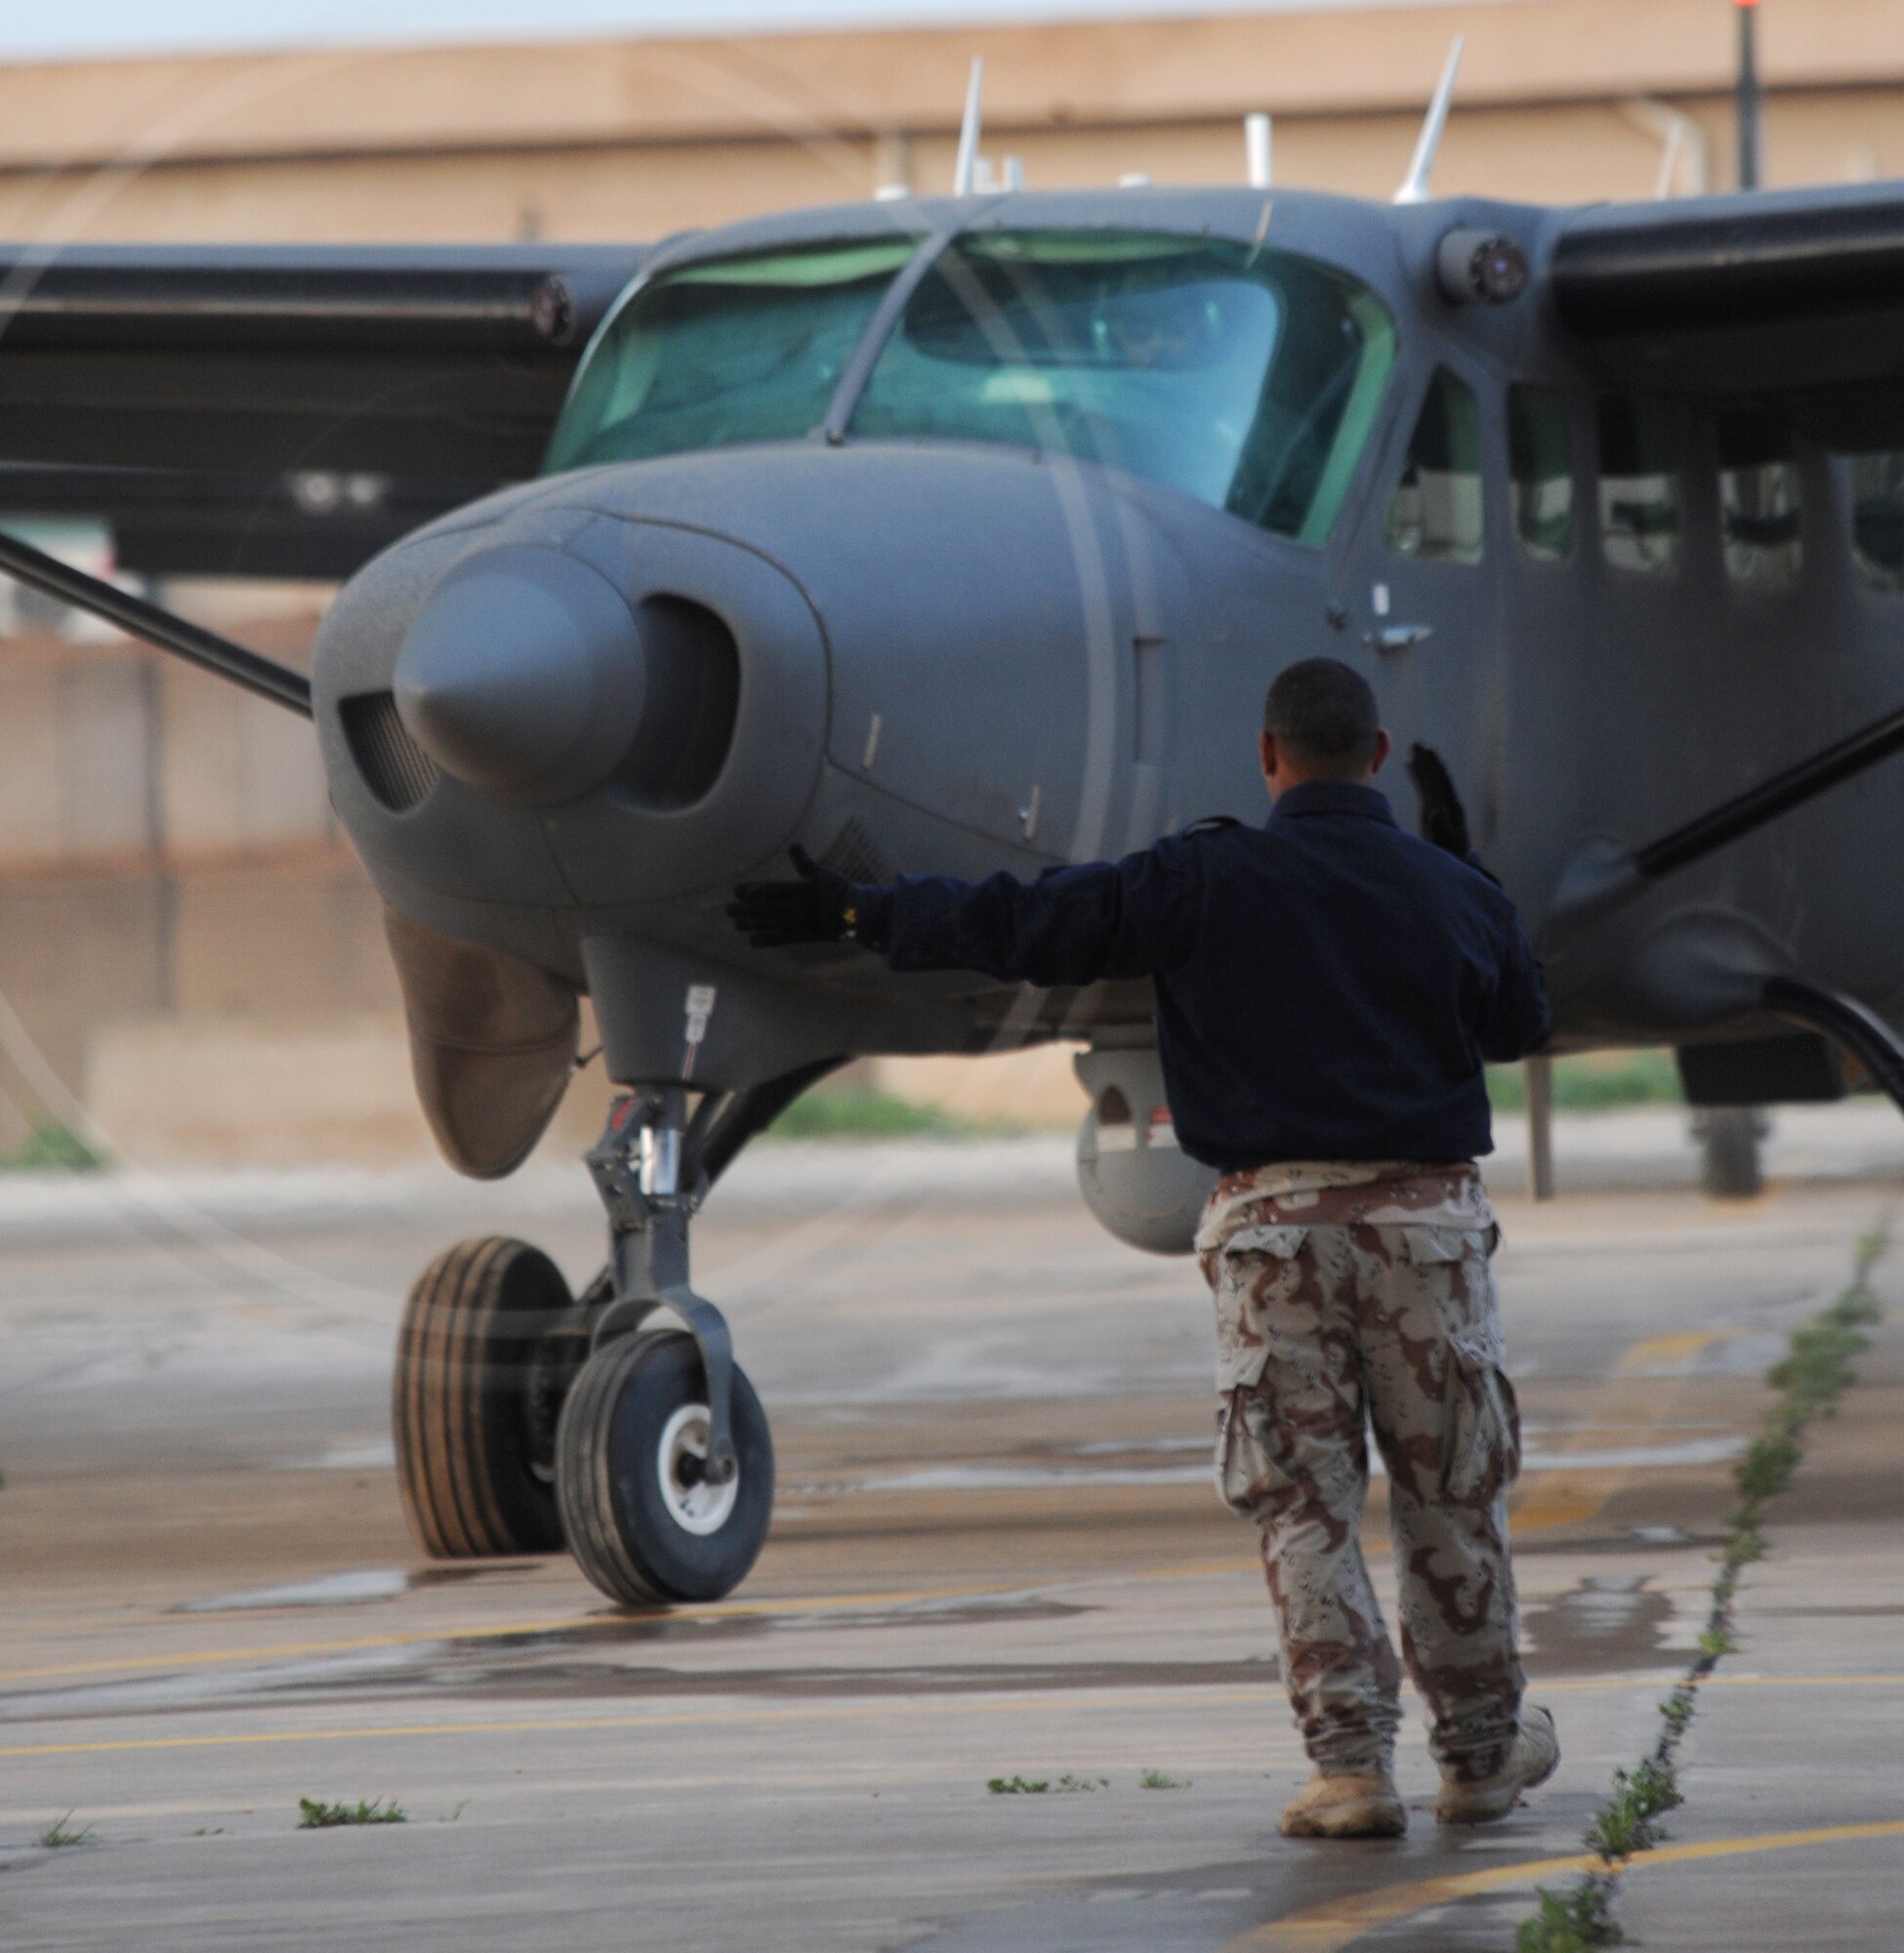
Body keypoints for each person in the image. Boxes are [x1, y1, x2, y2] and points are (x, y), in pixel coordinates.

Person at [728, 655, 1554, 1840]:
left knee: (1305, 1509)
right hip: (1425, 1230)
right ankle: (1479, 1756)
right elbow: (1521, 1017)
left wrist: (859, 912)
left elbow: (1026, 923)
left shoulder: (1200, 876)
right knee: (1450, 1493)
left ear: (1268, 758)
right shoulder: (1449, 890)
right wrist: (1461, 873)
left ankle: (1351, 1770)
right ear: (1376, 757)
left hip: (1272, 1238)